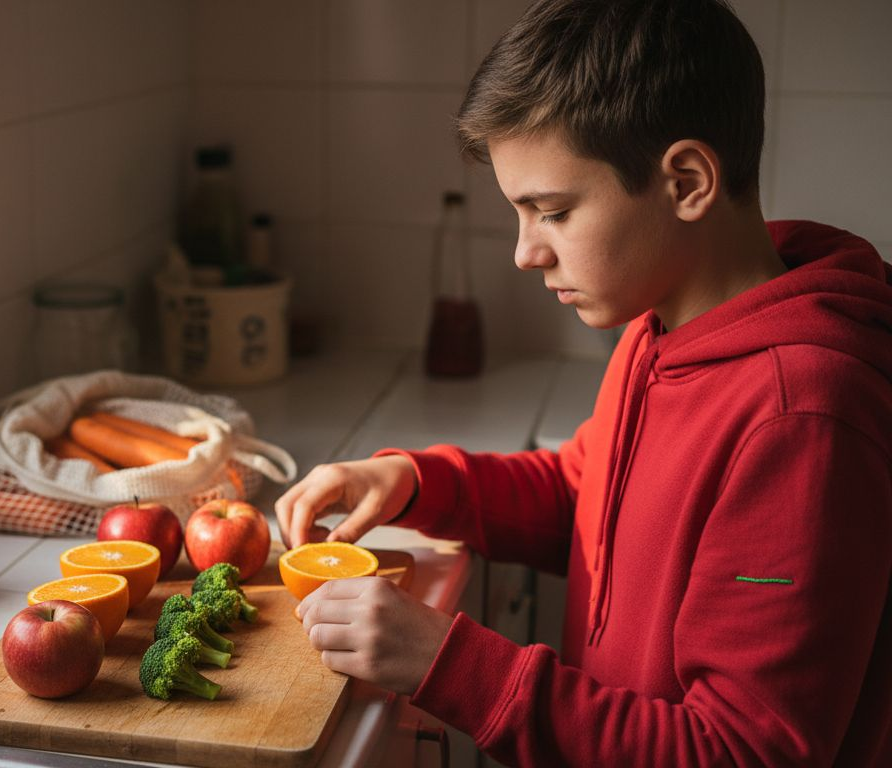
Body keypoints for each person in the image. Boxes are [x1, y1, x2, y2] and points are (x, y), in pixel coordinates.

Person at [274, 0, 892, 764]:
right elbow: (588, 494)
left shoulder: (801, 417)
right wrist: (416, 482)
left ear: (688, 181)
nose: (525, 253)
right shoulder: (659, 324)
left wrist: (452, 664)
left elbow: (738, 752)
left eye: (553, 212)